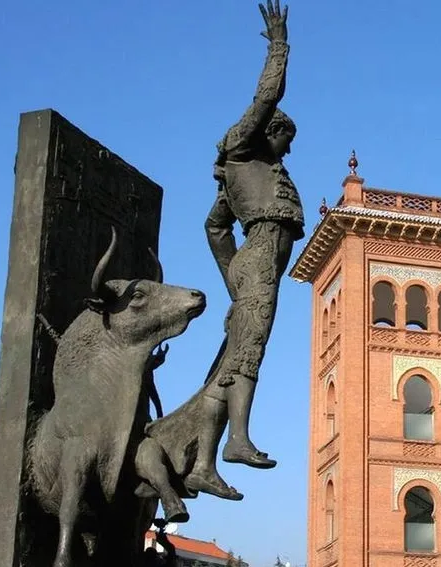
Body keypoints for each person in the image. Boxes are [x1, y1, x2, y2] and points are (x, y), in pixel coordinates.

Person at [200, 0, 303, 471]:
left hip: (256, 261)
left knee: (238, 352)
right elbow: (266, 97)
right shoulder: (244, 150)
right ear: (270, 132)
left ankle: (203, 461)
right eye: (286, 138)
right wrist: (279, 47)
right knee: (249, 349)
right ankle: (236, 441)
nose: (288, 148)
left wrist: (232, 275)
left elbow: (215, 226)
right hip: (260, 252)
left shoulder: (240, 178)